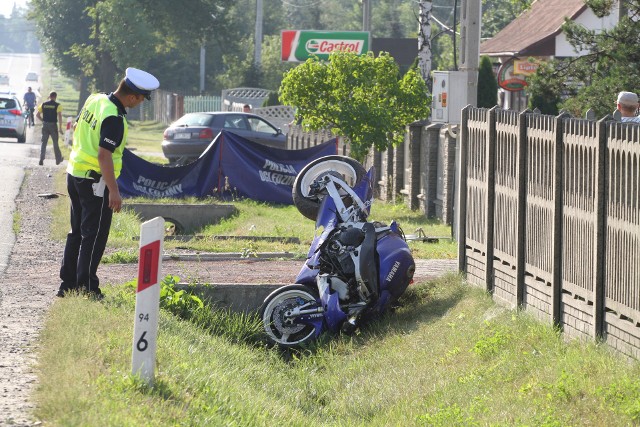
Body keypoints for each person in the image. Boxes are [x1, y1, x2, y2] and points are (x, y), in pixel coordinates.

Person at [56, 67, 159, 299]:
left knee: (77, 232)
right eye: (141, 99)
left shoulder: (96, 99)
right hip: (95, 181)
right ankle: (88, 287)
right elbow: (104, 155)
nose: (141, 103)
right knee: (94, 235)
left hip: (75, 173)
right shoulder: (114, 117)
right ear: (132, 96)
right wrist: (114, 191)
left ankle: (67, 284)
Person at [35, 91, 63, 165]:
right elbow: (60, 116)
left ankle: (41, 159)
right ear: (55, 97)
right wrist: (60, 128)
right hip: (53, 125)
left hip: (45, 125)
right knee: (55, 143)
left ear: (49, 96)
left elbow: (37, 115)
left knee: (43, 143)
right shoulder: (57, 105)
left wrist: (43, 121)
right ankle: (58, 159)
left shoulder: (43, 104)